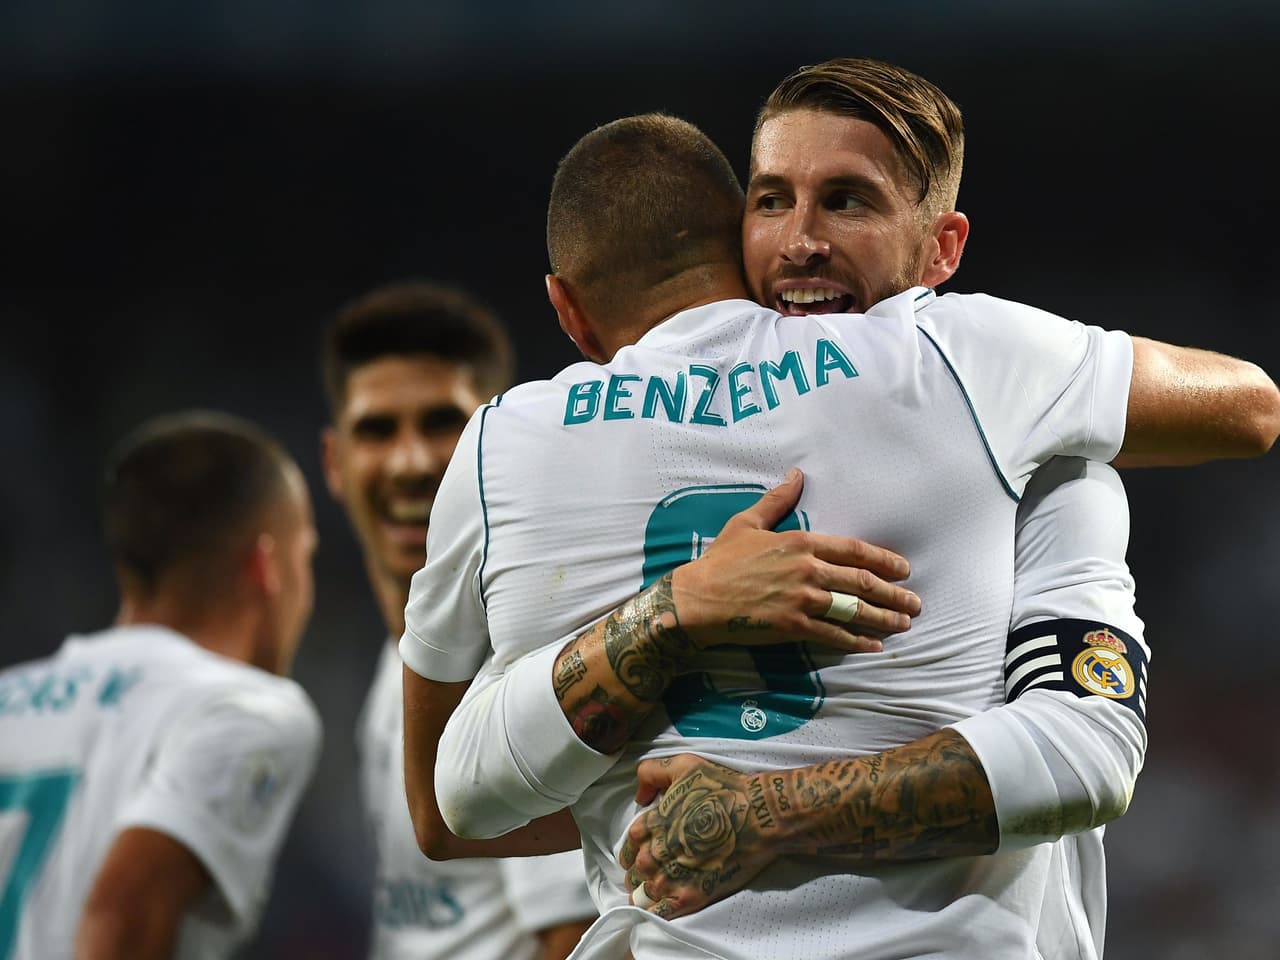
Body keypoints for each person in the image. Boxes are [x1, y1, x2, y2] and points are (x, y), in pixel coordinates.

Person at [402, 100, 1277, 960]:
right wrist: (676, 611)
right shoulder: (974, 367)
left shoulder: (505, 444)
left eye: (846, 202)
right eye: (773, 201)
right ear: (734, 240)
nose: (801, 242)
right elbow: (1247, 408)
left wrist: (756, 805)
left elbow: (452, 806)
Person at [319, 280, 597, 960]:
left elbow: (582, 940)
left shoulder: (519, 669)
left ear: (498, 448)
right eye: (377, 430)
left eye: (442, 423)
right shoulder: (404, 665)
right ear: (334, 463)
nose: (412, 463)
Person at [0, 411, 322, 960]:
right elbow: (122, 914)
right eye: (305, 556)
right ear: (267, 565)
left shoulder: (8, 697)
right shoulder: (246, 709)